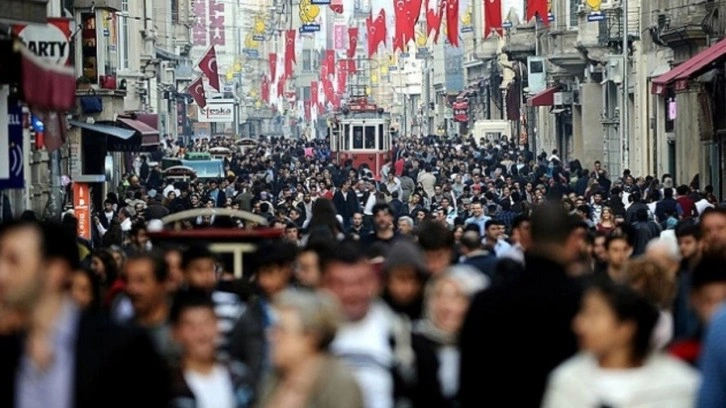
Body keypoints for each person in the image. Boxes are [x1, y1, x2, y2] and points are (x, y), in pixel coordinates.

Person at [0, 220, 170, 407]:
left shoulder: (122, 349)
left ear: (55, 270)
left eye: (13, 261)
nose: (2, 272)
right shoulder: (9, 348)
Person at [459, 201, 585, 407]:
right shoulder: (588, 302)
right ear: (573, 241)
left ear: (526, 237)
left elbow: (471, 385)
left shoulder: (487, 301)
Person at [542, 279, 699, 407]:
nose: (579, 324)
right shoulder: (568, 381)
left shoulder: (679, 386)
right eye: (583, 313)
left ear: (627, 328)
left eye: (594, 314)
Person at [256, 290, 364, 408]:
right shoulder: (275, 377)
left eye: (282, 330)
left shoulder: (340, 385)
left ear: (311, 338)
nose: (271, 336)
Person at [411, 265, 488, 408]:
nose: (446, 307)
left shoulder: (485, 348)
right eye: (439, 295)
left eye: (458, 298)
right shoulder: (410, 343)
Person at [169, 289, 254, 408]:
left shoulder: (240, 377)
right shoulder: (169, 387)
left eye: (207, 323)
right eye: (191, 326)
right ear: (176, 332)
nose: (201, 334)